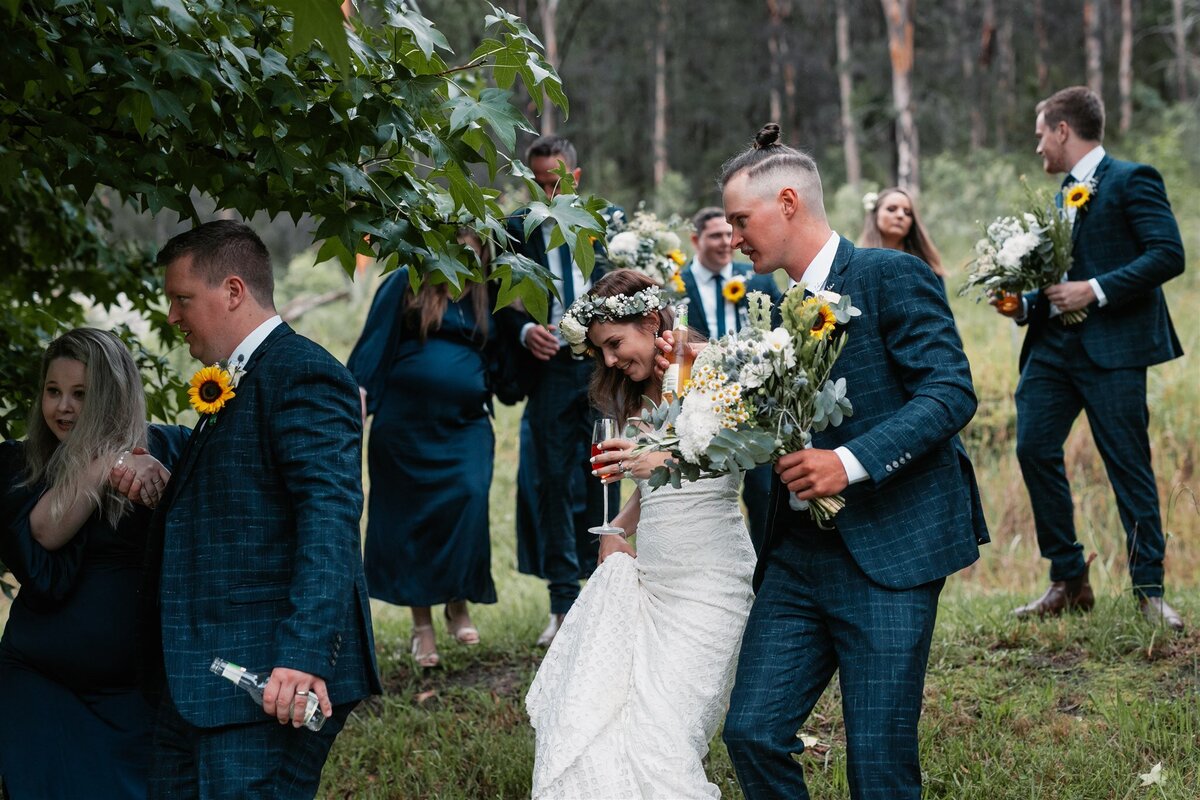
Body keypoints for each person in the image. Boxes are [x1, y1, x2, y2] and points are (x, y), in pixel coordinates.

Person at [714, 124, 988, 799]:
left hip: (892, 549)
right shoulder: (773, 314)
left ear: (786, 202)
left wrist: (850, 462)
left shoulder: (890, 274)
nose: (734, 236)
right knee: (750, 731)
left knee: (879, 766)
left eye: (740, 220)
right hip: (796, 558)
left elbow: (951, 391)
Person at [140, 221, 381, 799]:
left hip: (269, 680)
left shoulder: (304, 372)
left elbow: (329, 518)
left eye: (182, 298)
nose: (172, 316)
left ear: (232, 291)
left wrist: (301, 658)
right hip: (205, 681)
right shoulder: (242, 376)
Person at [526, 269, 756, 799]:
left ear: (651, 322)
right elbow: (650, 488)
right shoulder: (632, 392)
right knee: (620, 718)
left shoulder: (708, 367)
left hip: (709, 579)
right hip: (650, 579)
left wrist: (661, 456)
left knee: (667, 734)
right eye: (600, 351)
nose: (608, 361)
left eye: (614, 345)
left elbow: (745, 446)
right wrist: (615, 528)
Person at [998, 87, 1186, 630]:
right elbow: (1059, 283)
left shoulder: (1134, 179)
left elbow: (1167, 254)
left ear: (1062, 130)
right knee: (1033, 448)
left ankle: (1149, 592)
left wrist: (1096, 289)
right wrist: (1022, 305)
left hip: (1115, 353)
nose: (1038, 147)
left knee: (1129, 468)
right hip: (1052, 353)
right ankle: (1069, 580)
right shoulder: (1060, 195)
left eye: (1040, 135)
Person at [0, 328, 187, 799]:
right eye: (53, 391)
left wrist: (158, 480)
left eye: (81, 394)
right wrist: (108, 464)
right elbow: (46, 532)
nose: (63, 407)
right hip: (39, 681)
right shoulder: (21, 465)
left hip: (130, 695)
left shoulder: (165, 448)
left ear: (112, 395)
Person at [347, 231, 500, 669]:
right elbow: (373, 345)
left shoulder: (489, 293)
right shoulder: (406, 281)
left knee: (467, 501)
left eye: (473, 249)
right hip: (404, 427)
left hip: (465, 425)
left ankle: (456, 600)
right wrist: (357, 401)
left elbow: (502, 351)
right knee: (409, 518)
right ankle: (422, 627)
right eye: (457, 247)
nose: (465, 256)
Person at [505, 134, 617, 647]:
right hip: (548, 373)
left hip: (600, 370)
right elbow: (496, 301)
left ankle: (602, 593)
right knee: (552, 482)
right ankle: (560, 603)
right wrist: (525, 332)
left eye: (554, 182)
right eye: (537, 182)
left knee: (604, 475)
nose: (545, 192)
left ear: (574, 177)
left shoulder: (606, 226)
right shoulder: (513, 231)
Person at [682, 205, 783, 552]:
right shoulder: (677, 285)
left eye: (729, 234)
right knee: (705, 499)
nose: (725, 242)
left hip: (755, 406)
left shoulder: (758, 279)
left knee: (765, 496)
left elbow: (777, 338)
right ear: (696, 240)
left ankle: (767, 576)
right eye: (715, 235)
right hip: (699, 405)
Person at [857, 186, 946, 289]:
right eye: (891, 209)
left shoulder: (927, 266)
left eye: (907, 212)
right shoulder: (856, 265)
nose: (900, 215)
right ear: (875, 214)